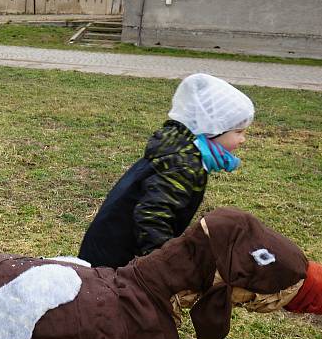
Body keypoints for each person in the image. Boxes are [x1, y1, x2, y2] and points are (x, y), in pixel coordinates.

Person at [78, 73, 254, 268]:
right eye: (238, 132)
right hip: (114, 260)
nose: (243, 139)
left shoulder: (182, 151)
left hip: (109, 247)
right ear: (212, 129)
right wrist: (164, 264)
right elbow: (153, 216)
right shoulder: (183, 164)